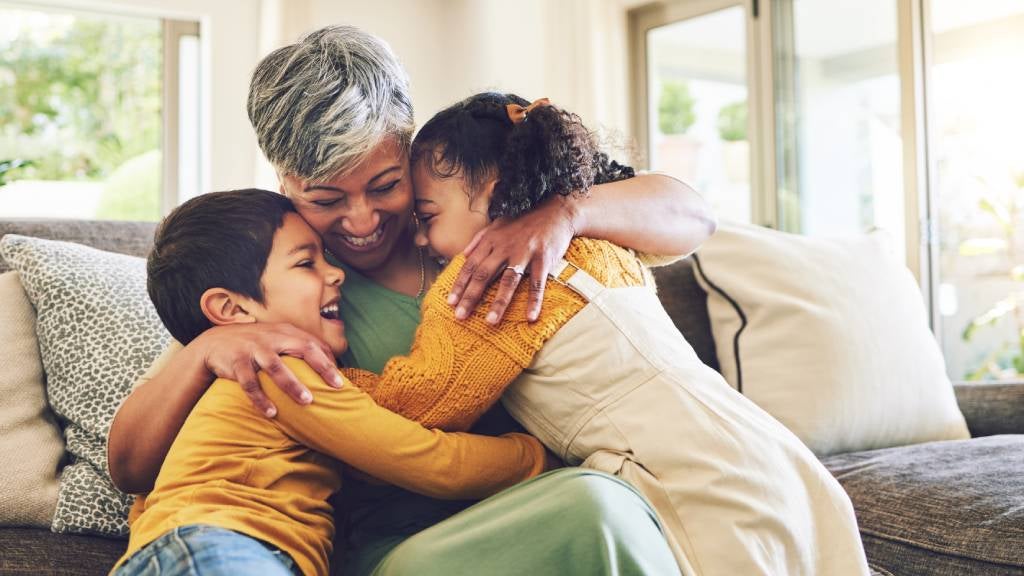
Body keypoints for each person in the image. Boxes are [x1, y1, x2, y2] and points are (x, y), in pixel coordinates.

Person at [108, 25, 713, 575]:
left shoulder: (485, 213)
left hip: (542, 498)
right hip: (406, 550)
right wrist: (208, 346)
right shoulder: (286, 287)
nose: (362, 219)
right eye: (325, 199)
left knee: (614, 504)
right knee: (596, 506)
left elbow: (693, 217)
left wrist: (566, 214)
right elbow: (131, 465)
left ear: (410, 149)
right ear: (283, 183)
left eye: (386, 185)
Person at [377, 91, 869, 575]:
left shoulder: (489, 282)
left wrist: (313, 378)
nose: (419, 238)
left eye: (427, 217)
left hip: (687, 477)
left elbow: (422, 401)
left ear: (496, 190)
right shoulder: (603, 243)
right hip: (770, 452)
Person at [111, 189, 551, 576]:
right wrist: (539, 457)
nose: (337, 273)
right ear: (232, 310)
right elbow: (433, 461)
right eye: (306, 263)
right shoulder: (279, 370)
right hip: (218, 548)